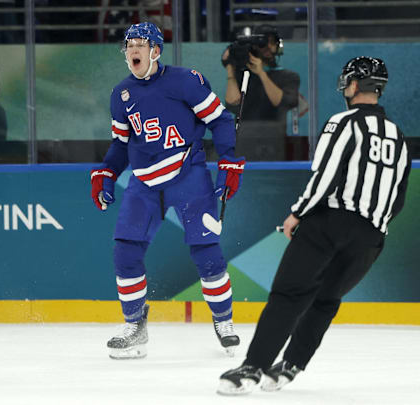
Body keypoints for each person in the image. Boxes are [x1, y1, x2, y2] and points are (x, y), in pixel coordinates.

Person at [218, 56, 411, 395]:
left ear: (353, 85)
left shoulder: (344, 122)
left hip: (329, 224)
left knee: (289, 294)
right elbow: (398, 195)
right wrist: (374, 231)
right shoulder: (398, 136)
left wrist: (298, 213)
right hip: (370, 238)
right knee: (326, 300)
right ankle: (290, 366)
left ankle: (252, 368)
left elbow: (325, 177)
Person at [92, 22, 245, 359]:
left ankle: (224, 321)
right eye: (129, 44)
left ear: (156, 51)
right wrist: (106, 171)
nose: (132, 50)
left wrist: (230, 160)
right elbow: (120, 144)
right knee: (125, 250)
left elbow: (219, 119)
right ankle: (135, 325)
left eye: (140, 44)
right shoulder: (121, 94)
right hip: (143, 184)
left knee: (206, 252)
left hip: (188, 177)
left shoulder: (186, 80)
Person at [222, 25, 300, 161]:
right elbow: (232, 102)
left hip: (273, 138)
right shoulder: (244, 76)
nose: (268, 47)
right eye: (263, 43)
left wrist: (261, 73)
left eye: (272, 43)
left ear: (278, 46)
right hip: (244, 140)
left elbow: (281, 102)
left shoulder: (289, 76)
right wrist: (230, 67)